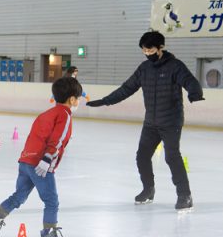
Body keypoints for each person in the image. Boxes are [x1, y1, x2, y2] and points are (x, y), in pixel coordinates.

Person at [85, 30, 204, 210]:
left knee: (172, 157)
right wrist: (105, 101)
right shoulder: (144, 69)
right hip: (151, 122)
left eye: (150, 50)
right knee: (142, 156)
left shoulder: (175, 66)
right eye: (144, 51)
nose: (147, 54)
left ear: (160, 47)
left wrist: (195, 93)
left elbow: (189, 81)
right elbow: (127, 88)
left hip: (171, 120)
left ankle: (185, 195)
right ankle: (148, 189)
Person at [0, 77, 83, 237]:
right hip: (41, 164)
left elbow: (34, 136)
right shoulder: (64, 114)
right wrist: (47, 159)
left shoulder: (45, 114)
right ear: (72, 99)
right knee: (51, 201)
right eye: (77, 98)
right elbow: (59, 138)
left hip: (26, 160)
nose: (78, 102)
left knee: (19, 196)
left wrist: (29, 158)